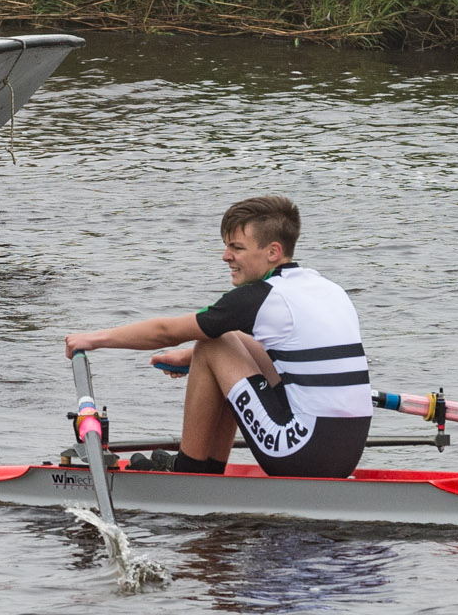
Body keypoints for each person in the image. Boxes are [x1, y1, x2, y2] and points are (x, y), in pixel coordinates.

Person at [62, 196, 373, 478]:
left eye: (236, 248)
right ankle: (208, 468)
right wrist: (190, 358)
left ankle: (191, 470)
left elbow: (166, 332)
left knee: (212, 342)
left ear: (273, 251)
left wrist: (93, 340)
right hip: (345, 455)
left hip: (298, 453)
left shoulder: (259, 298)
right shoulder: (328, 289)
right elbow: (279, 350)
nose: (226, 256)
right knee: (224, 338)